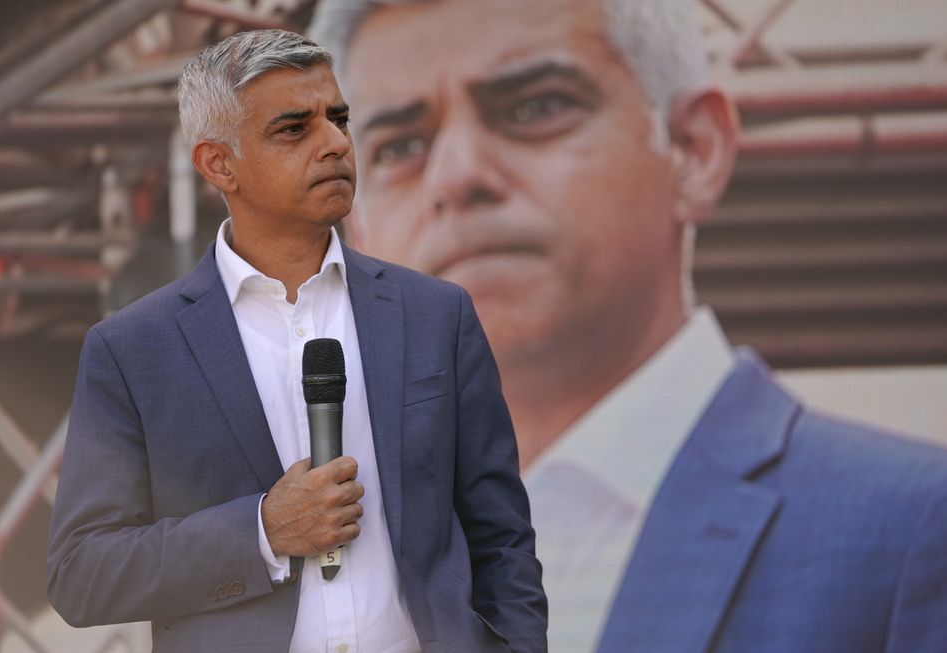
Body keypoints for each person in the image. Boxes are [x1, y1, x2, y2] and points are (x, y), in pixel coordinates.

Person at [310, 1, 947, 651]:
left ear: (693, 150)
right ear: (359, 230)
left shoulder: (916, 531)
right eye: (400, 147)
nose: (457, 174)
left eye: (534, 108)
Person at [46, 30, 547, 653]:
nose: (335, 143)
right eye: (293, 129)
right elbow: (82, 574)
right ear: (218, 164)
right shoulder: (133, 350)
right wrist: (262, 532)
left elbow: (502, 537)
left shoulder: (436, 315)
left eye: (338, 118)